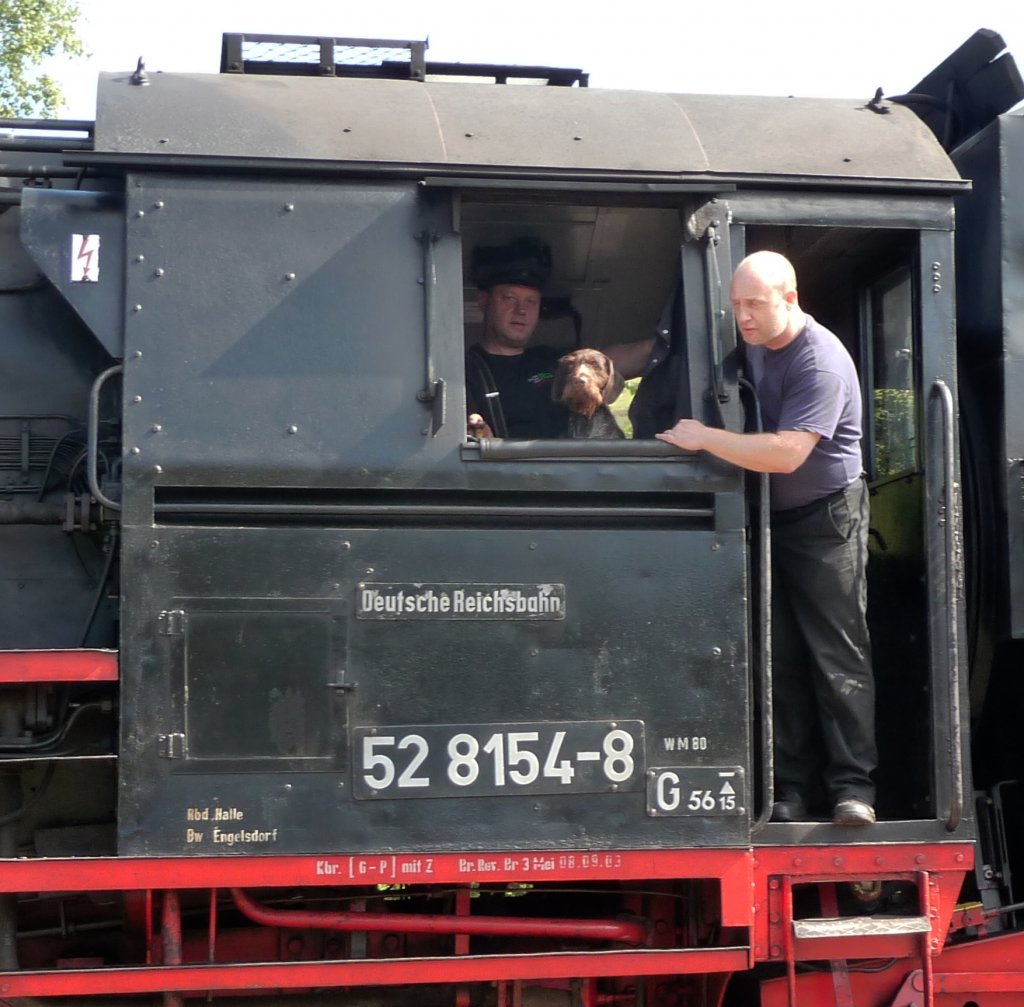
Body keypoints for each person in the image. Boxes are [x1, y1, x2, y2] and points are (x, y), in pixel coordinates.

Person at [656, 250, 877, 827]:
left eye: (753, 304)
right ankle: (791, 790)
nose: (743, 317)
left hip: (827, 519)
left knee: (836, 655)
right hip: (768, 518)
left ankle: (855, 790)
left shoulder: (820, 362)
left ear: (791, 299)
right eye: (735, 304)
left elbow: (785, 452)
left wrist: (704, 437)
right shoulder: (752, 342)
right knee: (776, 653)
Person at [465, 238, 570, 439]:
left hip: (566, 468)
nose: (521, 310)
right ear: (484, 302)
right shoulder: (465, 372)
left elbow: (607, 362)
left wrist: (650, 348)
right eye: (510, 298)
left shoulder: (551, 359)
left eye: (531, 301)